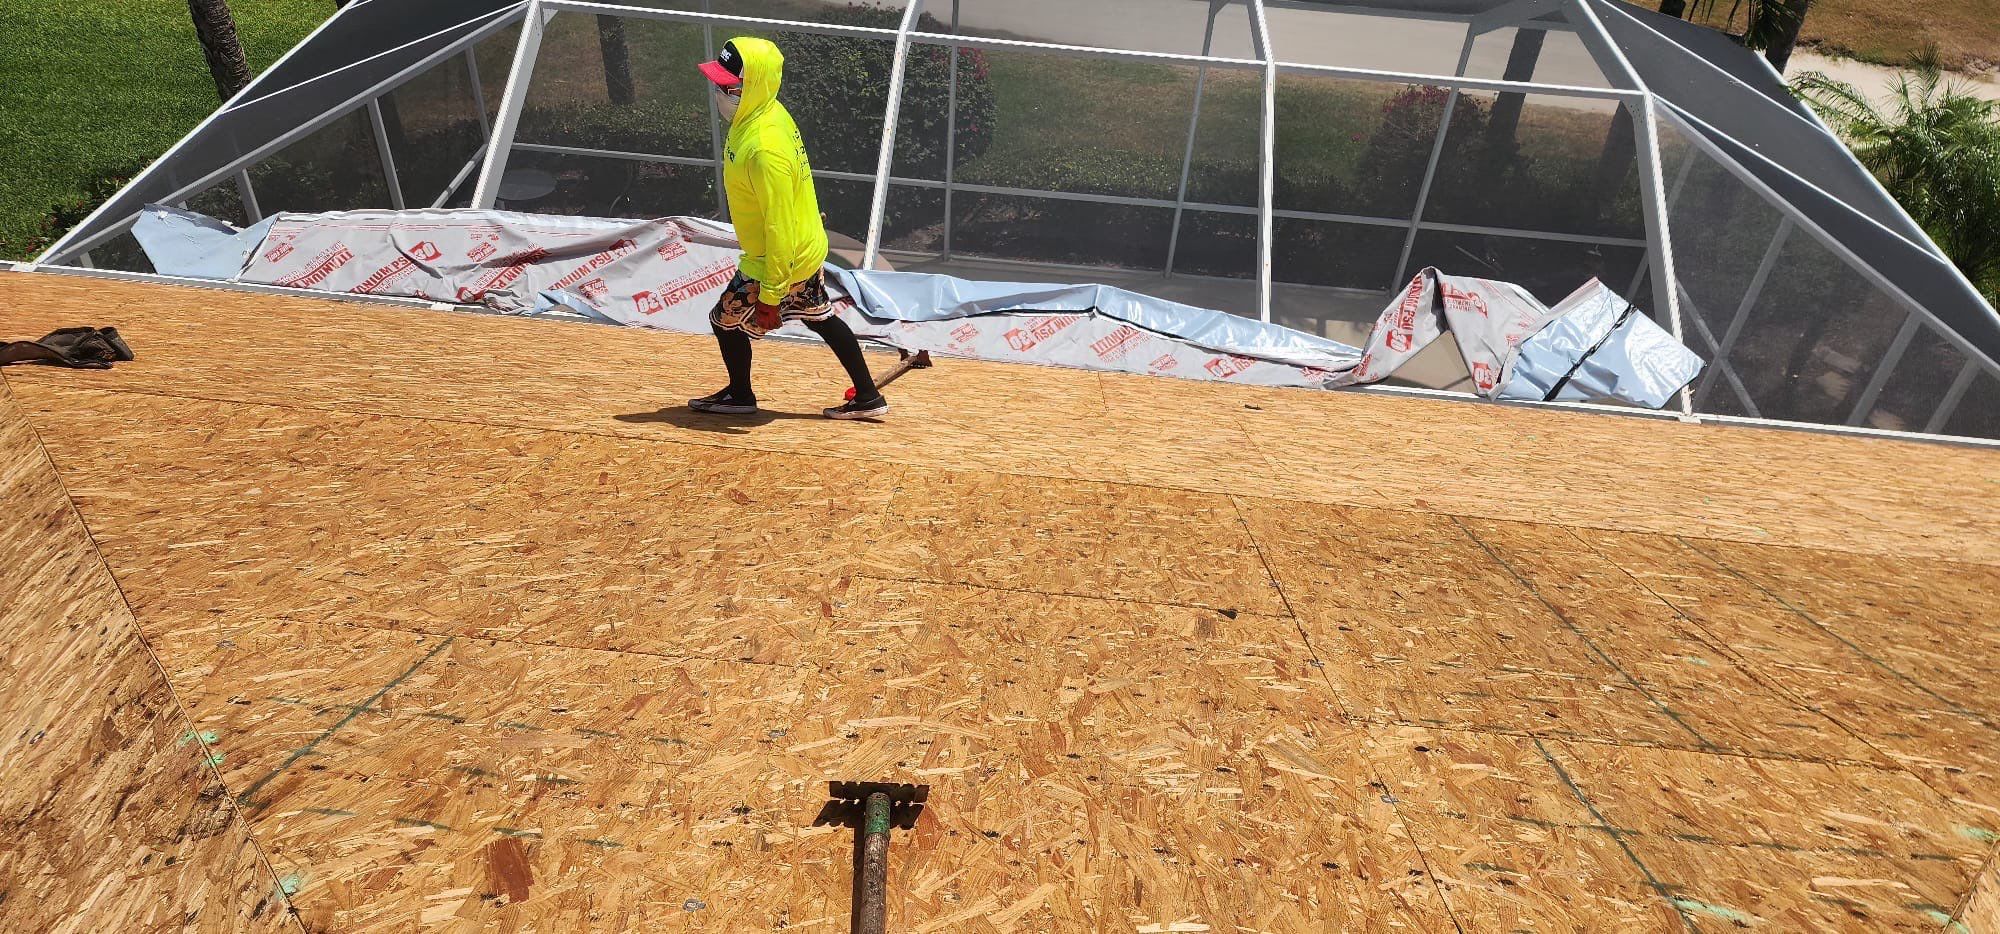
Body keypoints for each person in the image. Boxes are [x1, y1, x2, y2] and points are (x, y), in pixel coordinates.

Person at [690, 37, 887, 420]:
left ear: (754, 87)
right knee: (822, 316)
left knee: (725, 321)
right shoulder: (766, 111)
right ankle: (868, 397)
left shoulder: (764, 148)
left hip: (778, 259)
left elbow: (778, 224)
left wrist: (770, 296)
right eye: (718, 84)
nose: (719, 92)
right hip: (805, 245)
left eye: (727, 87)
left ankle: (741, 396)